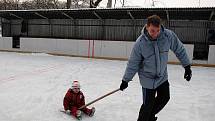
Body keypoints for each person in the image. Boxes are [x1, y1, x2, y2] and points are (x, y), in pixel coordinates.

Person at [119, 15, 192, 121]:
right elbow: (133, 63)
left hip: (162, 77)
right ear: (147, 27)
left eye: (158, 30)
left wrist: (187, 66)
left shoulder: (167, 36)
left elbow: (179, 49)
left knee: (164, 98)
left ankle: (149, 117)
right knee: (147, 106)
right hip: (147, 79)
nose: (156, 34)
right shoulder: (140, 43)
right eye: (152, 31)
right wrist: (125, 80)